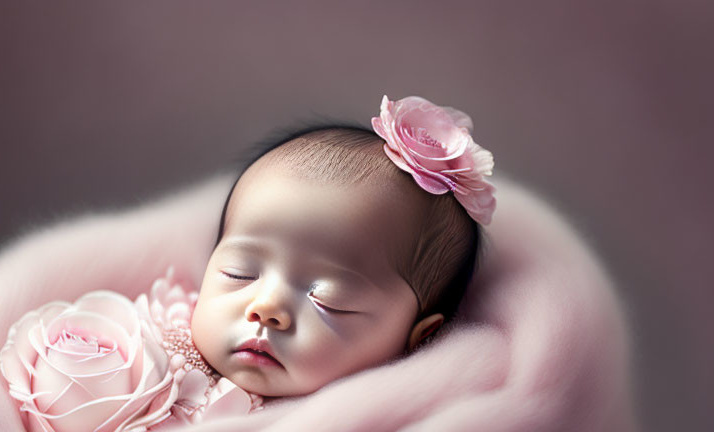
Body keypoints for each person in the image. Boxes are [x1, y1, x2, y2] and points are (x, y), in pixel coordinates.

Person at [190, 94, 495, 398]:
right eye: (239, 274)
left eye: (328, 299)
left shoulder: (382, 419)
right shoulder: (151, 350)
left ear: (419, 338)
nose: (266, 307)